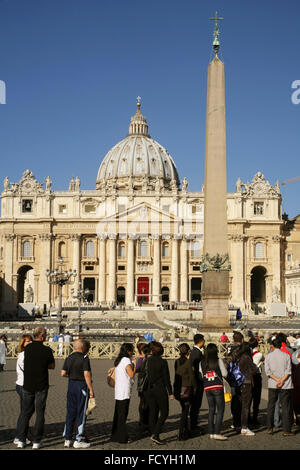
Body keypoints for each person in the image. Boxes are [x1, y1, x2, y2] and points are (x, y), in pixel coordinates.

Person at [17, 326, 55, 449]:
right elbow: (52, 366)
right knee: (40, 413)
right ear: (42, 336)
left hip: (27, 384)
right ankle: (37, 441)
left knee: (25, 412)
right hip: (41, 385)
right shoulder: (47, 350)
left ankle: (21, 440)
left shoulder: (27, 348)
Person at [61, 339, 94, 448]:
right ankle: (78, 439)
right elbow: (86, 374)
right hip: (81, 386)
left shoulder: (69, 357)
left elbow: (63, 373)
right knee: (81, 412)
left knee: (70, 412)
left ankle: (67, 438)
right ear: (83, 348)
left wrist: (72, 376)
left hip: (71, 385)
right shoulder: (84, 358)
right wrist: (91, 389)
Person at [146, 341, 174, 445]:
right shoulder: (162, 362)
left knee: (153, 412)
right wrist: (170, 392)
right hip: (160, 389)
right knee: (164, 412)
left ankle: (153, 432)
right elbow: (167, 379)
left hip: (149, 389)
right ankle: (156, 434)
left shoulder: (148, 360)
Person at [265, 337, 294, 436]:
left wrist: (277, 380)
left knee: (271, 405)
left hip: (273, 383)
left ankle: (269, 427)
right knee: (286, 407)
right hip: (285, 384)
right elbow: (288, 371)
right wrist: (282, 380)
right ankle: (286, 430)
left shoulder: (268, 356)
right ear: (281, 345)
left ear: (272, 346)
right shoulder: (286, 355)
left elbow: (268, 372)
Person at [200, 343, 228, 440]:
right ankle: (217, 432)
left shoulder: (202, 362)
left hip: (207, 387)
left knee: (211, 409)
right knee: (220, 410)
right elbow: (225, 374)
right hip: (217, 386)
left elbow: (200, 374)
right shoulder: (218, 360)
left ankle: (211, 432)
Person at [230, 341, 257, 436]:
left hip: (238, 383)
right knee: (245, 406)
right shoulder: (246, 357)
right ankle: (244, 427)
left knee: (238, 405)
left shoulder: (237, 357)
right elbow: (254, 369)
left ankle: (237, 425)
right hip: (246, 382)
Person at [111, 343, 136, 444]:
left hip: (119, 390)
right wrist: (134, 364)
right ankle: (121, 437)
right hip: (124, 391)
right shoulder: (126, 360)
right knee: (122, 415)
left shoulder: (119, 360)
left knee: (118, 415)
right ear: (128, 351)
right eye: (132, 350)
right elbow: (131, 374)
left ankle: (115, 435)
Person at [14, 334, 33, 446]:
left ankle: (21, 434)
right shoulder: (24, 355)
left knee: (25, 411)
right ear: (23, 343)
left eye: (31, 341)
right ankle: (20, 436)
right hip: (24, 385)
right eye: (27, 341)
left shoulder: (23, 354)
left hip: (22, 384)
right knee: (26, 412)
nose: (29, 343)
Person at [174, 343, 196, 441]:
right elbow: (192, 377)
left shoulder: (177, 362)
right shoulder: (188, 362)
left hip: (178, 389)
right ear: (188, 352)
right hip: (187, 389)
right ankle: (181, 433)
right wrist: (195, 387)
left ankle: (186, 432)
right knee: (185, 412)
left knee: (184, 410)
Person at [189, 333, 205, 434]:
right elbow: (196, 370)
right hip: (197, 382)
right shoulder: (197, 353)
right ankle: (193, 425)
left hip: (196, 382)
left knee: (195, 405)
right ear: (201, 341)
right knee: (196, 404)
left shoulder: (194, 352)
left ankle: (193, 424)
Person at [248, 337, 264, 426]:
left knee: (249, 398)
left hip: (249, 378)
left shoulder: (247, 354)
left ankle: (248, 417)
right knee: (256, 399)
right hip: (257, 377)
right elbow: (263, 359)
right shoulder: (259, 354)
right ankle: (255, 418)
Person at [136, 343, 151, 436]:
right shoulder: (141, 360)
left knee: (143, 402)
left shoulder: (141, 359)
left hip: (141, 384)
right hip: (144, 384)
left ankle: (142, 420)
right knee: (144, 403)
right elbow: (137, 369)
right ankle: (143, 421)